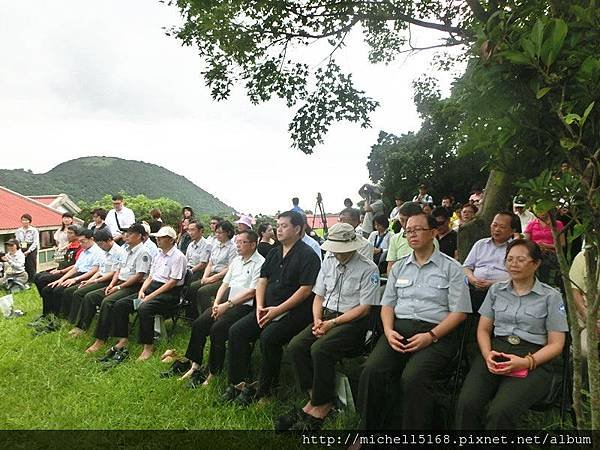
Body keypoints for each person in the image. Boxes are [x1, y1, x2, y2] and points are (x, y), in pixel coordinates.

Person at [357, 213, 471, 430]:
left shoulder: (451, 268)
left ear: (433, 233)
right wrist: (388, 331)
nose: (412, 234)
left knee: (413, 377)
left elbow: (460, 313)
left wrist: (431, 336)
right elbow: (388, 305)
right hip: (398, 331)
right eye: (408, 230)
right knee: (372, 370)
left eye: (418, 229)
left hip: (437, 334)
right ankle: (368, 432)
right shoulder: (399, 267)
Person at [455, 239, 568, 430]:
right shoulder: (496, 290)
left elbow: (557, 344)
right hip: (495, 352)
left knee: (500, 412)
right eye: (509, 259)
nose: (513, 264)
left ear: (536, 264)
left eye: (521, 260)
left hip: (533, 358)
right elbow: (483, 329)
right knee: (467, 403)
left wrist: (526, 362)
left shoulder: (551, 296)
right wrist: (487, 354)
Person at [282, 223, 380, 430]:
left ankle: (321, 404)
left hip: (352, 321)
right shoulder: (328, 261)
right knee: (296, 346)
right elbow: (319, 295)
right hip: (325, 316)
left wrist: (331, 324)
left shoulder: (368, 268)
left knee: (320, 349)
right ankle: (314, 396)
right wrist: (318, 320)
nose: (338, 254)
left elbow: (364, 308)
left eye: (341, 249)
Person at [222, 210, 321, 404]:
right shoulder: (275, 252)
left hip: (294, 311)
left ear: (298, 229)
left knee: (269, 337)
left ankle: (266, 391)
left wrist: (278, 310)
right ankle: (239, 383)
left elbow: (306, 290)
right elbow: (262, 280)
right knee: (237, 331)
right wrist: (259, 306)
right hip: (267, 308)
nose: (279, 229)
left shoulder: (308, 255)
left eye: (284, 226)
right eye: (278, 225)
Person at [180, 230, 265, 387]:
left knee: (218, 329)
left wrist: (227, 305)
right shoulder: (236, 261)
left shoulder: (260, 263)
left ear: (253, 244)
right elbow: (225, 284)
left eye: (242, 242)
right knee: (199, 323)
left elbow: (252, 292)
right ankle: (195, 364)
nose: (237, 245)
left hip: (244, 306)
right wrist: (217, 303)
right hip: (227, 303)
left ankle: (213, 371)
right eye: (237, 242)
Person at [108, 226, 187, 361]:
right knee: (121, 304)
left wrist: (151, 296)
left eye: (161, 238)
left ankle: (148, 347)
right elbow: (150, 276)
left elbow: (172, 282)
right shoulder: (158, 254)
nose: (157, 240)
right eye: (157, 237)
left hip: (169, 293)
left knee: (145, 308)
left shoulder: (178, 257)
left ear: (171, 240)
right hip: (152, 288)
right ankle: (123, 339)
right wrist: (142, 291)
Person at [85, 223, 151, 354]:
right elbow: (118, 269)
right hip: (120, 282)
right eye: (125, 233)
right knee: (93, 296)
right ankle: (86, 328)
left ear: (139, 236)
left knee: (108, 302)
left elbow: (139, 276)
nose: (126, 236)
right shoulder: (126, 249)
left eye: (130, 233)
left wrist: (119, 287)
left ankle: (102, 339)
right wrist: (112, 284)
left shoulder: (143, 252)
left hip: (134, 286)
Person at [35, 228, 105, 334]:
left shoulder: (97, 252)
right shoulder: (84, 252)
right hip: (78, 274)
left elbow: (94, 270)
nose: (81, 244)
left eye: (83, 241)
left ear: (91, 239)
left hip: (86, 276)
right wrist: (61, 279)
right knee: (48, 288)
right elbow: (75, 268)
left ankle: (61, 318)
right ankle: (47, 315)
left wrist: (74, 279)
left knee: (60, 290)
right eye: (80, 241)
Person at [67, 229, 127, 337]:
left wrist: (95, 281)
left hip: (110, 281)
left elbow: (114, 272)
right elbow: (100, 270)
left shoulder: (119, 252)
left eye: (101, 244)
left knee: (88, 296)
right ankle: (76, 323)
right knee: (79, 291)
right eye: (98, 244)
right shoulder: (104, 251)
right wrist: (90, 281)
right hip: (101, 278)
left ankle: (82, 327)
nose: (100, 247)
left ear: (109, 240)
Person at [193, 221, 237, 316]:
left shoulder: (232, 248)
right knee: (192, 287)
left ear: (228, 233)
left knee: (203, 291)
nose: (217, 235)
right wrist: (205, 277)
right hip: (211, 275)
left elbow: (230, 268)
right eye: (216, 232)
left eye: (220, 233)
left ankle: (209, 316)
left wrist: (212, 279)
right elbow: (210, 263)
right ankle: (193, 314)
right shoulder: (216, 245)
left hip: (223, 278)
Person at [385, 201, 435, 275]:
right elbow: (390, 267)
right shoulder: (395, 239)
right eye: (402, 220)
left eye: (408, 220)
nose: (405, 225)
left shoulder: (429, 238)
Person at [569, 249, 599, 360]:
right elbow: (574, 290)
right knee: (585, 350)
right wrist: (588, 317)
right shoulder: (584, 256)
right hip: (587, 317)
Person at [524, 206, 565, 284]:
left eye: (542, 210)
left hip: (551, 253)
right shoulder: (531, 224)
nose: (540, 212)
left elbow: (562, 244)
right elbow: (526, 243)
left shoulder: (557, 224)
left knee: (545, 261)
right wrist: (537, 247)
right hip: (535, 251)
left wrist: (546, 246)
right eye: (538, 211)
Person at [15, 213, 39, 283]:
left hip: (31, 247)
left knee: (31, 265)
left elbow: (35, 242)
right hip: (22, 246)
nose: (24, 222)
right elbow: (17, 241)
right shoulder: (19, 230)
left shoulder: (34, 230)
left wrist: (29, 251)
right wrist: (19, 250)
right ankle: (25, 280)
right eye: (23, 220)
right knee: (23, 264)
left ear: (30, 221)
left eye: (26, 220)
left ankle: (33, 280)